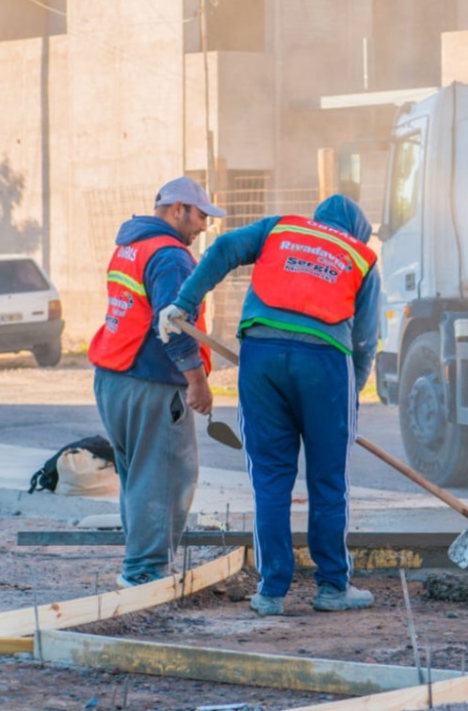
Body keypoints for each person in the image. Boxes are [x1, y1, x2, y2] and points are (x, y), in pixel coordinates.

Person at [159, 194, 380, 617]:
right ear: (357, 232)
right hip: (326, 363)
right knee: (328, 481)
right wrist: (349, 403)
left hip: (260, 356)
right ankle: (333, 586)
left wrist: (183, 302)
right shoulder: (360, 255)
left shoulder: (282, 227)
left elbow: (224, 248)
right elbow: (365, 341)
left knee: (271, 479)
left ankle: (271, 592)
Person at [87, 176, 221, 589]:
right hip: (152, 382)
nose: (204, 227)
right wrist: (197, 382)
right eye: (200, 216)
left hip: (115, 378)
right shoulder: (171, 257)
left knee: (139, 478)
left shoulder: (131, 245)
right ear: (178, 209)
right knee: (165, 478)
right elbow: (174, 325)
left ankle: (140, 565)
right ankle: (145, 573)